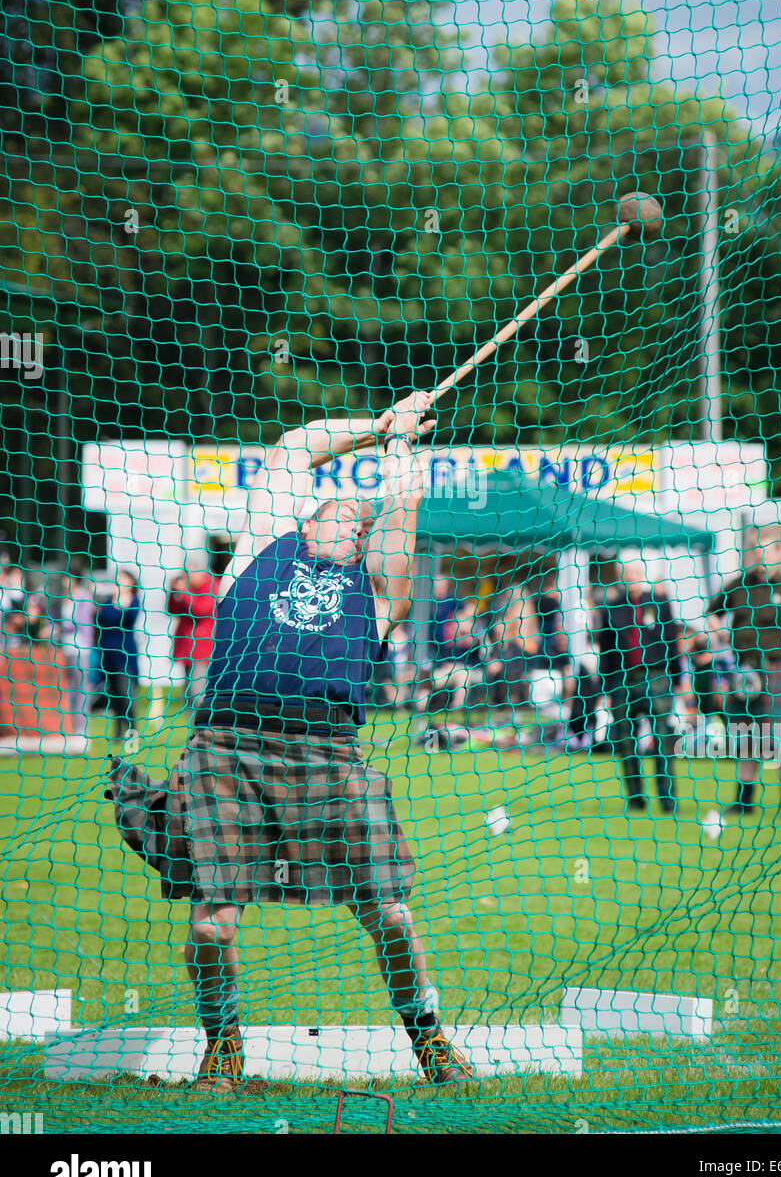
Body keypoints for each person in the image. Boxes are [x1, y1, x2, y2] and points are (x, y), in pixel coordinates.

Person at [108, 393, 474, 1091]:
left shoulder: (376, 591)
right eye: (337, 509)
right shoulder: (259, 553)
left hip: (328, 758)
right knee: (212, 926)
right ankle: (221, 1043)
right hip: (225, 748)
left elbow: (403, 512)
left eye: (358, 518)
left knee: (389, 912)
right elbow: (297, 443)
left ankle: (427, 1037)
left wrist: (399, 450)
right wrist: (378, 425)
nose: (351, 518)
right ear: (304, 520)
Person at [706, 532, 781, 821]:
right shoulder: (739, 584)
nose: (760, 556)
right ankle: (745, 802)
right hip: (744, 670)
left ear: (779, 552)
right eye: (755, 551)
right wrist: (720, 633)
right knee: (747, 739)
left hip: (777, 667)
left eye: (765, 551)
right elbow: (711, 613)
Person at [593, 559, 688, 815]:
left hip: (656, 677)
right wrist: (606, 688)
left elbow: (672, 642)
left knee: (663, 739)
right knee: (625, 741)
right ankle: (635, 799)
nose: (632, 577)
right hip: (623, 680)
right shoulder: (612, 608)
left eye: (637, 572)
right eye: (628, 573)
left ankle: (668, 801)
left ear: (643, 574)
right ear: (621, 576)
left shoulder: (659, 603)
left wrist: (678, 679)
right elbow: (606, 651)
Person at [93, 570, 141, 743]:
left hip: (125, 655)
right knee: (113, 696)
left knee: (126, 694)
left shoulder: (133, 602)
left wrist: (119, 602)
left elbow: (129, 617)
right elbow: (99, 619)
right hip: (107, 656)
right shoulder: (106, 602)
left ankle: (132, 733)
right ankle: (118, 734)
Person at [167, 567, 218, 707]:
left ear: (199, 572)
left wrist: (184, 591)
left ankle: (202, 726)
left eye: (187, 575)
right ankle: (193, 727)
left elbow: (199, 610)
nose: (185, 579)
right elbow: (172, 609)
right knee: (188, 694)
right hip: (187, 648)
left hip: (203, 650)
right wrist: (173, 591)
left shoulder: (212, 584)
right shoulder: (190, 589)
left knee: (198, 692)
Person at [58, 566, 95, 736]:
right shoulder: (60, 597)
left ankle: (81, 729)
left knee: (81, 689)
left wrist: (60, 627)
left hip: (81, 648)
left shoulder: (84, 597)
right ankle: (68, 727)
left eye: (66, 578)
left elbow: (79, 621)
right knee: (66, 689)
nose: (63, 582)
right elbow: (53, 618)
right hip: (64, 648)